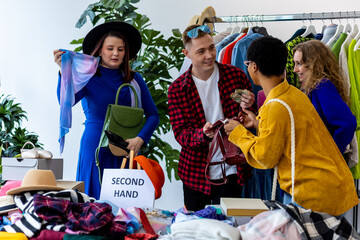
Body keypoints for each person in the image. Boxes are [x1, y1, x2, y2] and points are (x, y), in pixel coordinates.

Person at [224, 36, 358, 216]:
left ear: (254, 67)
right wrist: (257, 123)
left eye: (248, 63)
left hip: (310, 193)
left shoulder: (276, 105)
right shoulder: (293, 94)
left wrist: (238, 132)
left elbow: (265, 158)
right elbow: (290, 132)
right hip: (325, 186)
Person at [53, 21, 159, 199]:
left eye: (121, 49)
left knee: (124, 209)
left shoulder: (135, 79)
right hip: (95, 148)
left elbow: (153, 115)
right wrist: (64, 73)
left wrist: (140, 139)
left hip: (125, 150)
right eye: (110, 48)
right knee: (92, 204)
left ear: (126, 53)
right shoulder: (88, 77)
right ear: (100, 50)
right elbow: (66, 103)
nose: (116, 53)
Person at [168, 24, 256, 211]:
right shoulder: (177, 89)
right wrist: (202, 134)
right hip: (195, 174)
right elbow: (181, 134)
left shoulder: (236, 76)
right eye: (201, 51)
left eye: (211, 47)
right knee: (195, 229)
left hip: (234, 169)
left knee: (231, 228)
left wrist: (249, 107)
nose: (209, 55)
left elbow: (252, 120)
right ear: (187, 53)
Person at [293, 40, 356, 154]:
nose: (295, 69)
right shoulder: (311, 87)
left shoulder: (322, 86)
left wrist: (329, 154)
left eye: (299, 63)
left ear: (313, 63)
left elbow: (347, 124)